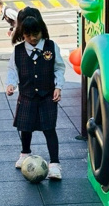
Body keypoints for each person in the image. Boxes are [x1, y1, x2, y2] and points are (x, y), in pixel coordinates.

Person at [6, 11, 65, 180]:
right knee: (25, 127)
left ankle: (55, 164)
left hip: (47, 95)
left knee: (49, 129)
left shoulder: (51, 46)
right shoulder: (18, 51)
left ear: (42, 31)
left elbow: (59, 68)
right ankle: (25, 153)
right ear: (22, 34)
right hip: (27, 95)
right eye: (28, 35)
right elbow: (13, 70)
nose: (32, 38)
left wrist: (58, 86)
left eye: (36, 34)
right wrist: (11, 84)